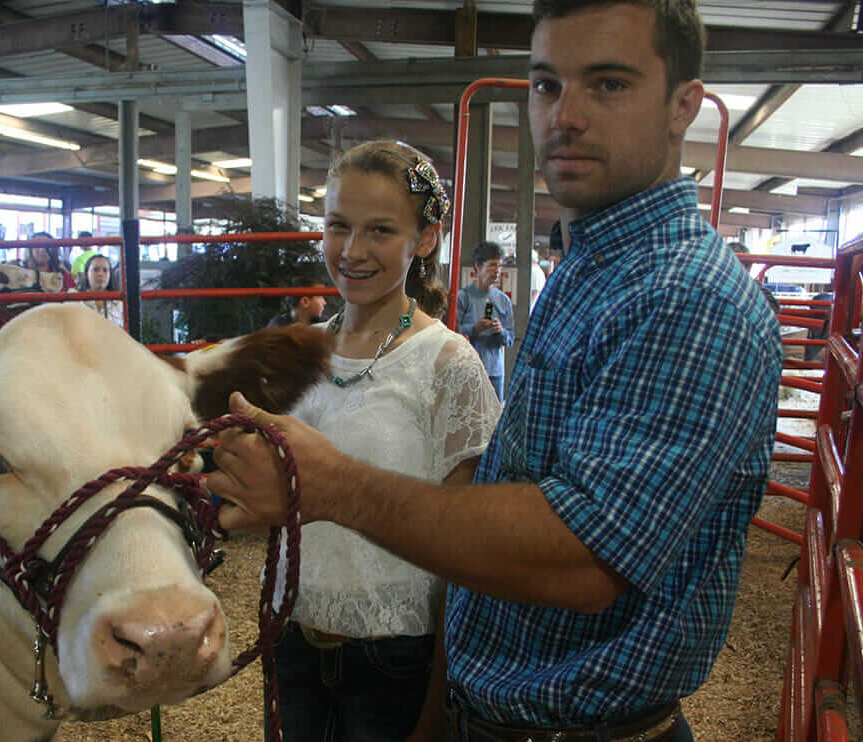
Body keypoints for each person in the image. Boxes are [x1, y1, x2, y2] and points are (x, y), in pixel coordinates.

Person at [206, 1, 782, 740]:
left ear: (683, 107)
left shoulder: (686, 298)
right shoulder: (593, 268)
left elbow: (582, 562)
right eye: (546, 85)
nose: (564, 115)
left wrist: (330, 484)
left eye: (607, 84)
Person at [259, 140, 502, 742]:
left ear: (424, 240)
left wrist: (440, 702)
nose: (353, 251)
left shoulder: (448, 363)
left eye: (380, 231)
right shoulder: (298, 352)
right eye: (339, 226)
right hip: (293, 642)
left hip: (396, 661)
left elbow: (469, 553)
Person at [456, 241, 515, 401]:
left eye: (500, 266)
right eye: (492, 265)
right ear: (477, 267)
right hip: (468, 370)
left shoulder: (503, 300)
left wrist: (500, 331)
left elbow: (510, 338)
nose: (497, 271)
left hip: (495, 372)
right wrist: (474, 328)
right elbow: (452, 333)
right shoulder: (463, 297)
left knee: (494, 421)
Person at [79, 253, 124, 326]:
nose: (100, 274)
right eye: (96, 270)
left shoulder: (119, 303)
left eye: (105, 270)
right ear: (87, 274)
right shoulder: (77, 302)